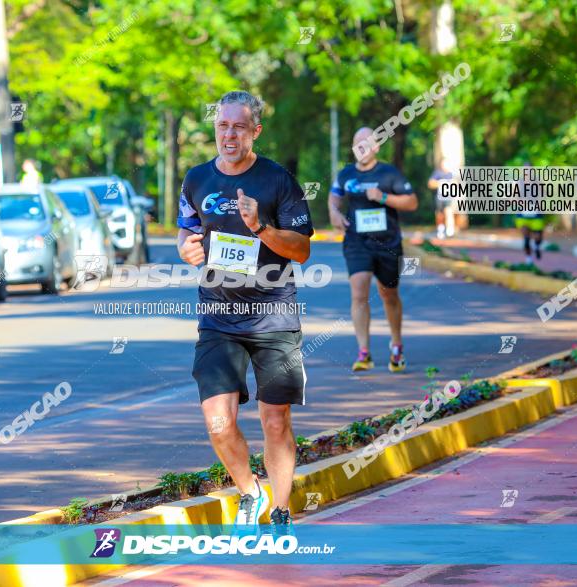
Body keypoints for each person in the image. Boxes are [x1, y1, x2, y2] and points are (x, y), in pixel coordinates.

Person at [176, 91, 313, 534]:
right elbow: (187, 233)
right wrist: (187, 249)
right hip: (218, 318)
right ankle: (250, 492)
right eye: (222, 126)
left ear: (255, 131)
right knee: (218, 422)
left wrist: (261, 228)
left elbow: (303, 249)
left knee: (275, 421)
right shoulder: (196, 179)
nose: (228, 135)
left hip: (273, 316)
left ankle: (280, 508)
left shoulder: (278, 181)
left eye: (238, 127)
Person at [328, 127, 418, 373]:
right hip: (357, 241)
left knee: (388, 294)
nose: (361, 148)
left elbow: (411, 201)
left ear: (376, 147)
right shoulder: (346, 174)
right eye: (357, 143)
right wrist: (334, 213)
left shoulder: (389, 173)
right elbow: (334, 198)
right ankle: (364, 352)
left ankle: (396, 344)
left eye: (366, 143)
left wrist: (384, 197)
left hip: (388, 243)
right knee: (359, 292)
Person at [515, 161, 546, 263]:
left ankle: (537, 246)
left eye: (529, 170)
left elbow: (543, 196)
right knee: (526, 237)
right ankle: (528, 260)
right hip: (523, 214)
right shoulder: (519, 183)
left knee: (538, 237)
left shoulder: (538, 182)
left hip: (535, 213)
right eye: (525, 170)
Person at [428, 157, 455, 239]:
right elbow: (430, 184)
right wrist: (439, 183)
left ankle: (450, 230)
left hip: (448, 196)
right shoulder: (437, 173)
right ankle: (440, 229)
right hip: (439, 197)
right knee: (440, 214)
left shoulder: (451, 174)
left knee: (449, 212)